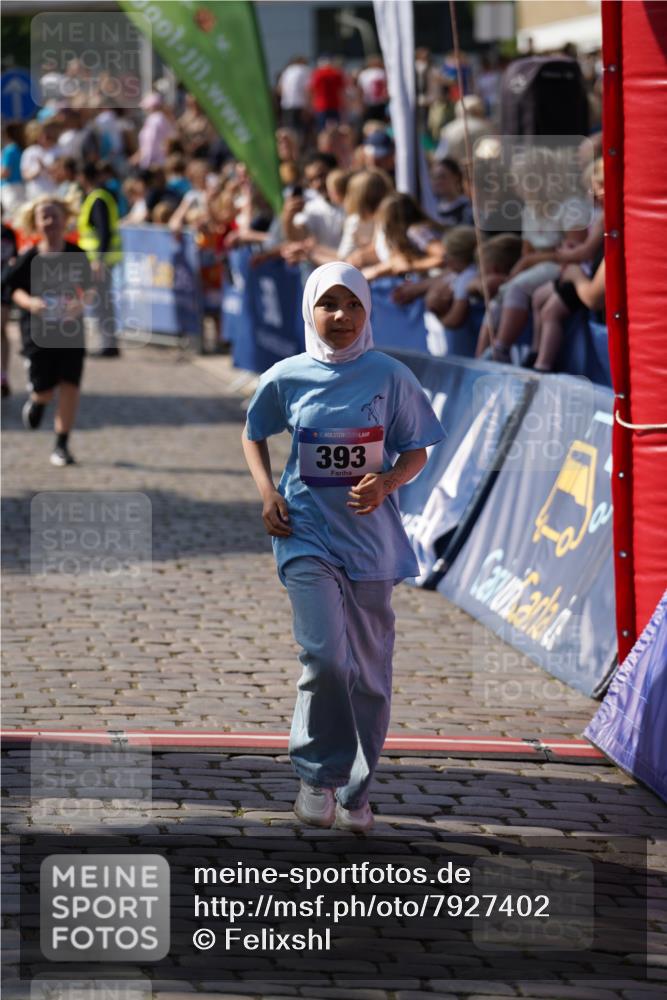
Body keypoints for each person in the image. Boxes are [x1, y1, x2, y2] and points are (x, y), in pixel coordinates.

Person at [241, 262, 444, 832]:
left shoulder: (390, 376)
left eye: (353, 304)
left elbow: (417, 450)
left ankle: (357, 790)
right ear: (309, 310)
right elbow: (254, 433)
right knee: (327, 657)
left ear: (367, 310)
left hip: (371, 544)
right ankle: (316, 775)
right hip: (305, 534)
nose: (341, 316)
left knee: (369, 675)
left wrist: (387, 482)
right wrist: (267, 493)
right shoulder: (286, 376)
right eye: (328, 304)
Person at [2, 196, 92, 466]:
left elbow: (89, 290)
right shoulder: (29, 257)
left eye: (55, 215)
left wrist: (79, 304)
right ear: (35, 223)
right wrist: (30, 302)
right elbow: (12, 289)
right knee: (45, 390)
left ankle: (61, 445)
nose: (50, 221)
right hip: (37, 331)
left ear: (65, 219)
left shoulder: (76, 254)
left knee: (70, 384)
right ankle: (38, 401)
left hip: (70, 330)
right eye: (45, 216)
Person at [76, 162, 123, 357]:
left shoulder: (97, 199)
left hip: (100, 260)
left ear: (84, 177)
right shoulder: (97, 197)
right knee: (100, 301)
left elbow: (104, 232)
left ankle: (109, 344)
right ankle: (107, 343)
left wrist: (99, 260)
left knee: (102, 302)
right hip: (98, 259)